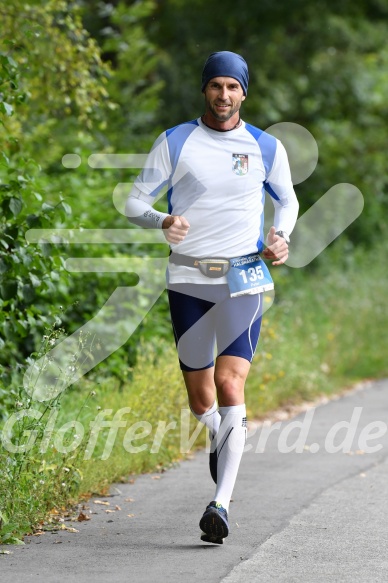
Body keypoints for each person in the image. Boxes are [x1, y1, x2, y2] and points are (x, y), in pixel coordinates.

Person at [125, 51, 299, 544]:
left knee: (230, 382)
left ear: (245, 93)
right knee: (202, 398)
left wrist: (281, 233)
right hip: (187, 279)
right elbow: (135, 200)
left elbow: (287, 198)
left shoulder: (265, 146)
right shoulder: (176, 141)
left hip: (244, 276)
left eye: (233, 88)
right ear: (205, 89)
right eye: (216, 86)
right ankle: (220, 436)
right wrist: (162, 220)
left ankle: (220, 504)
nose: (224, 95)